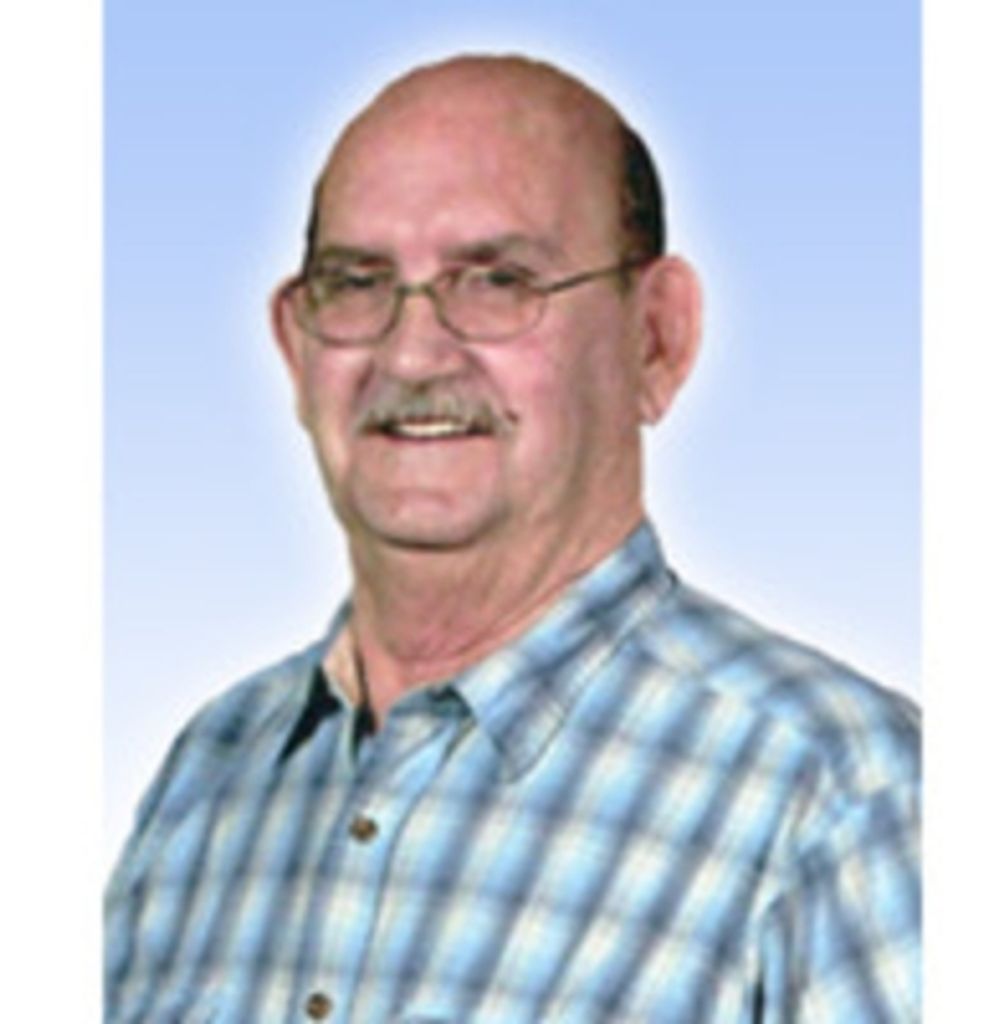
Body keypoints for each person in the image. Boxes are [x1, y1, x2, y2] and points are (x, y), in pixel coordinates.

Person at [105, 54, 920, 1022]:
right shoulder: (208, 775)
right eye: (358, 282)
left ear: (656, 339)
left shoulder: (841, 797)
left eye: (497, 281)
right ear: (296, 345)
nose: (412, 354)